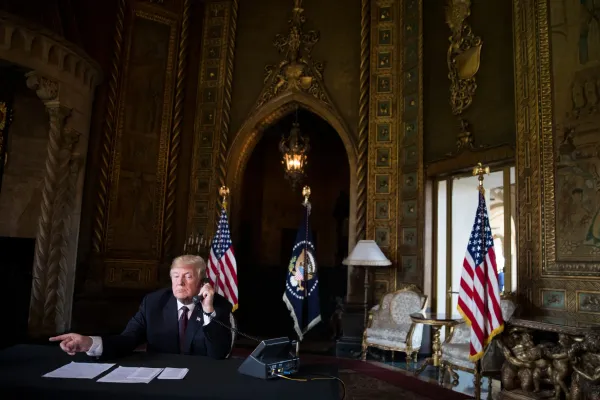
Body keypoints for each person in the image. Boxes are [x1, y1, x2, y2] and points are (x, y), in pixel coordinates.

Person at [50, 255, 232, 359]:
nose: (180, 282)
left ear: (202, 282)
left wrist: (208, 310)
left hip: (200, 381)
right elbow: (128, 340)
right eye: (176, 276)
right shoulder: (153, 303)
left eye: (188, 276)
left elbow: (218, 354)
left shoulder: (218, 305)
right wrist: (89, 342)